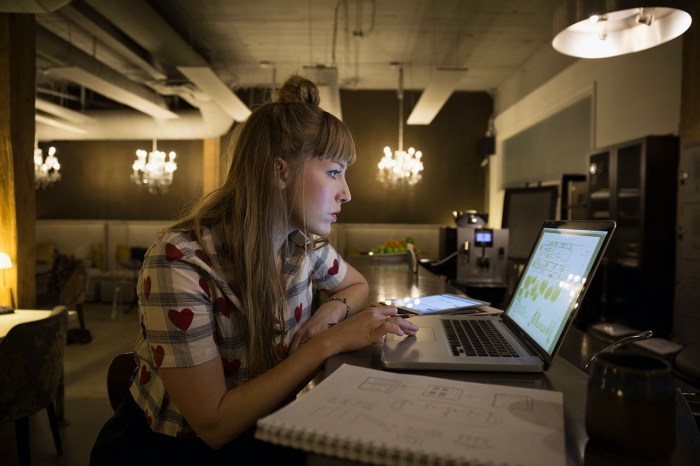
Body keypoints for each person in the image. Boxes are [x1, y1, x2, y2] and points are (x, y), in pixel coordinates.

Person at [90, 75, 419, 465]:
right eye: (334, 172)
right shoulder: (179, 260)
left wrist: (334, 311)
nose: (347, 192)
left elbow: (356, 285)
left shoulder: (304, 244)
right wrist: (329, 342)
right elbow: (213, 426)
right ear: (280, 172)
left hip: (266, 428)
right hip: (173, 451)